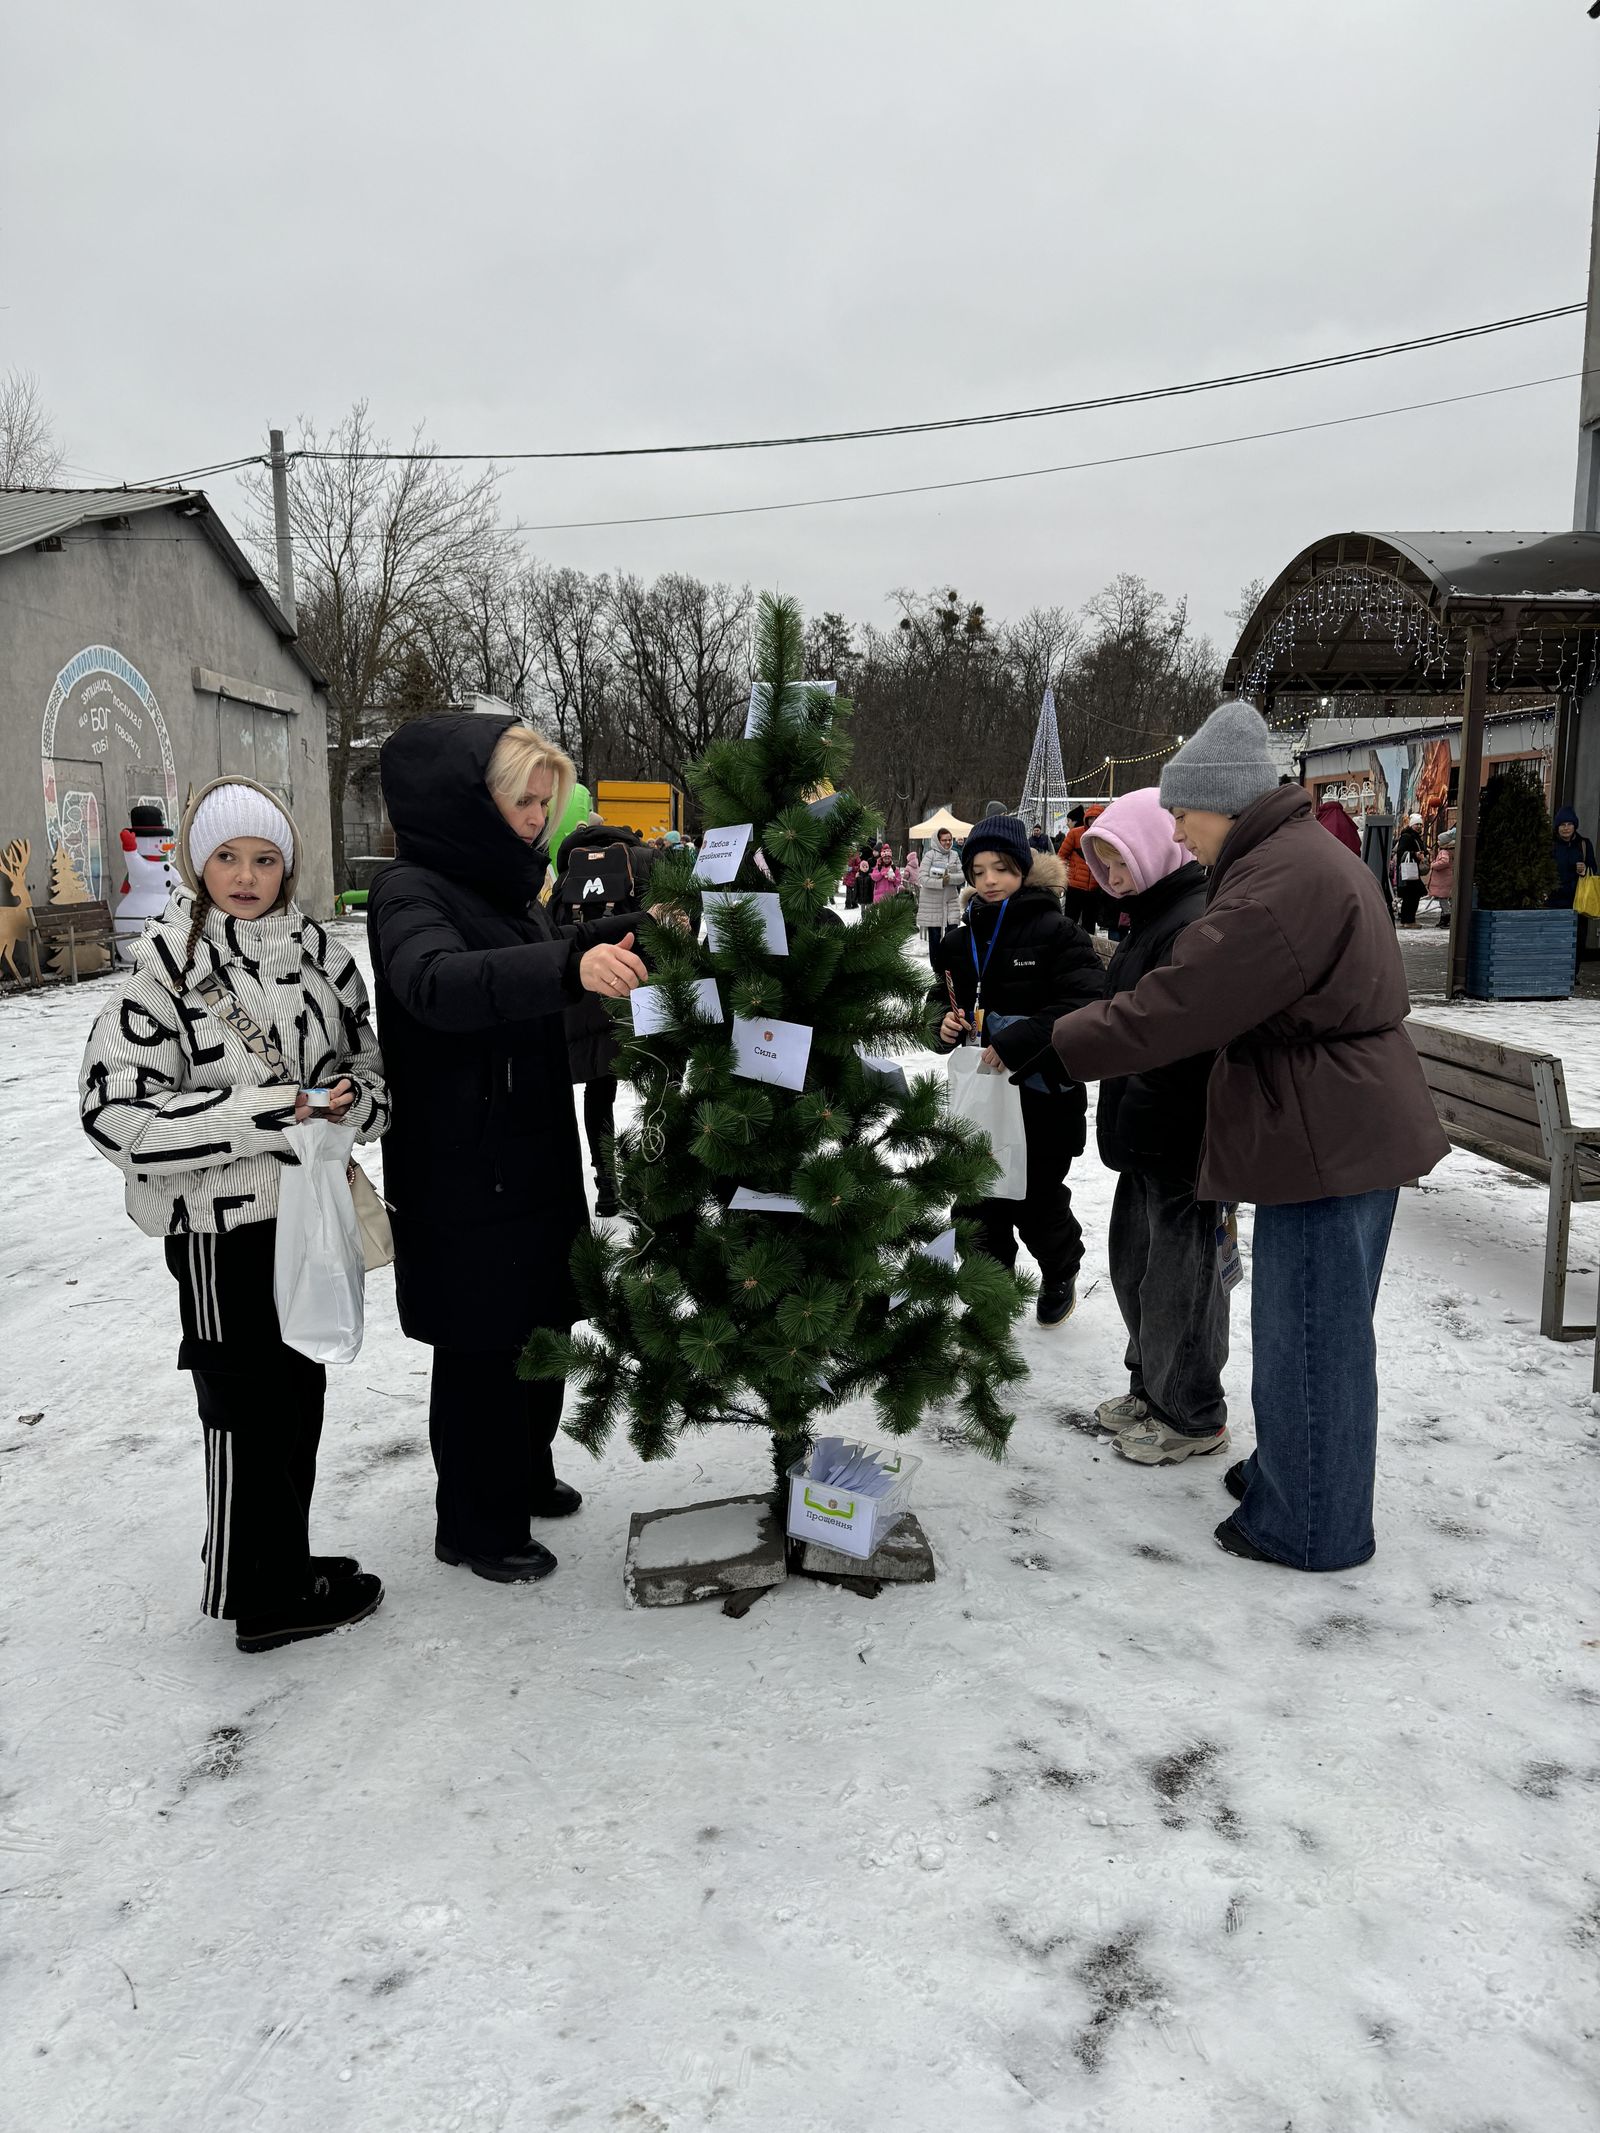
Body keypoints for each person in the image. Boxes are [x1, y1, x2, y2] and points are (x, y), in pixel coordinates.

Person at [1052, 702, 1448, 1572]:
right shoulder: (1293, 858)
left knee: (1312, 1336)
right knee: (1321, 1329)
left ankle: (1308, 1522)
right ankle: (1293, 1470)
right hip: (1338, 1126)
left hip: (1327, 1137)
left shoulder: (1278, 884)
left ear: (1224, 804)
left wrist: (1057, 1041)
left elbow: (1181, 1005)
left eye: (1184, 818)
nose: (1179, 836)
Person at [79, 778, 390, 1652]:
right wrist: (265, 1112)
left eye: (264, 859)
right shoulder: (164, 968)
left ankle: (283, 1558)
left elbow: (369, 1070)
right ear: (196, 862)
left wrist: (347, 1104)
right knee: (243, 1403)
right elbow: (117, 1114)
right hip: (218, 1228)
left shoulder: (321, 955)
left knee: (300, 1391)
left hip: (308, 1214)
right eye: (227, 857)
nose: (246, 875)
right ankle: (258, 1593)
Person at [367, 714, 648, 1586]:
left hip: (526, 1147)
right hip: (462, 1161)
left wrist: (639, 931)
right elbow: (439, 984)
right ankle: (475, 1522)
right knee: (482, 1345)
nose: (534, 819)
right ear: (469, 799)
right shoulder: (412, 892)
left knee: (540, 1324)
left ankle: (523, 1471)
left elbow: (548, 956)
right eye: (521, 800)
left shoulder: (504, 889)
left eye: (544, 804)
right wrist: (568, 970)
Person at [1079, 787, 1227, 1465]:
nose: (1110, 877)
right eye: (1101, 864)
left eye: (1119, 860)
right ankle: (1152, 1384)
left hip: (1175, 1134)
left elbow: (1180, 1036)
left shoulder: (1189, 920)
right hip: (1141, 1129)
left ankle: (1191, 1409)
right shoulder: (1149, 918)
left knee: (1181, 1277)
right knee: (1136, 1265)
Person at [931, 817, 1104, 1326]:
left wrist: (1018, 1038)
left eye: (1002, 869)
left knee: (1035, 1200)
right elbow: (940, 998)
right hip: (978, 1097)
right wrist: (940, 1025)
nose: (989, 880)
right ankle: (990, 1289)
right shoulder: (961, 942)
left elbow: (1088, 1002)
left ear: (1024, 871)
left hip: (1042, 1097)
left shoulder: (1057, 931)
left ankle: (1059, 1271)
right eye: (979, 870)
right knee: (978, 1201)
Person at [551, 813, 656, 1218]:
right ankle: (656, 1178)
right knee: (659, 1080)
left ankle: (607, 1184)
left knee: (599, 1089)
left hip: (587, 988)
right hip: (634, 984)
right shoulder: (638, 860)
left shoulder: (567, 873)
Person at [916, 825, 963, 952]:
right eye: (944, 840)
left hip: (951, 902)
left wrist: (950, 878)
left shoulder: (954, 855)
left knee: (952, 936)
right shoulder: (929, 855)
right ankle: (936, 968)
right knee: (935, 939)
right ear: (938, 841)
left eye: (949, 840)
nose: (948, 842)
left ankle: (949, 967)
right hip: (932, 904)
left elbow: (962, 876)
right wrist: (941, 882)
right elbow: (922, 878)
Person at [1058, 805, 1104, 930]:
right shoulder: (1075, 834)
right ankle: (1066, 945)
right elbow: (1061, 856)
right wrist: (1066, 875)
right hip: (1075, 886)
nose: (1093, 821)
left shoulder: (1103, 837)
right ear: (1086, 819)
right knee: (1070, 921)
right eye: (1091, 818)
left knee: (1089, 923)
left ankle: (1087, 946)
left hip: (1094, 887)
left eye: (1097, 818)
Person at [1550, 805, 1596, 909]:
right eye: (1562, 824)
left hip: (1580, 900)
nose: (1566, 828)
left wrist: (1585, 870)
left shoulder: (1584, 844)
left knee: (1578, 925)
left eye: (1569, 824)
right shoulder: (1550, 845)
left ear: (1574, 826)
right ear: (1557, 827)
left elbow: (1593, 868)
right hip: (1554, 902)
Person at [1394, 814, 1426, 927]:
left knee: (1411, 895)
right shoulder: (1407, 837)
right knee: (1412, 896)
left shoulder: (1414, 836)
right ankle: (1409, 920)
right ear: (1412, 825)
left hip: (1412, 870)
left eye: (1420, 824)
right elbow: (1401, 852)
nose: (1419, 826)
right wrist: (1414, 854)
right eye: (1416, 824)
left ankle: (1407, 920)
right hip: (1408, 870)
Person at [1427, 831, 1454, 928]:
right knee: (1445, 899)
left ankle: (1446, 917)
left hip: (1442, 880)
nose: (1437, 841)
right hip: (1447, 879)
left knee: (1443, 899)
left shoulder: (1443, 852)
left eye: (1439, 840)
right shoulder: (1451, 851)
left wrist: (1433, 865)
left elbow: (1444, 862)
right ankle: (1444, 918)